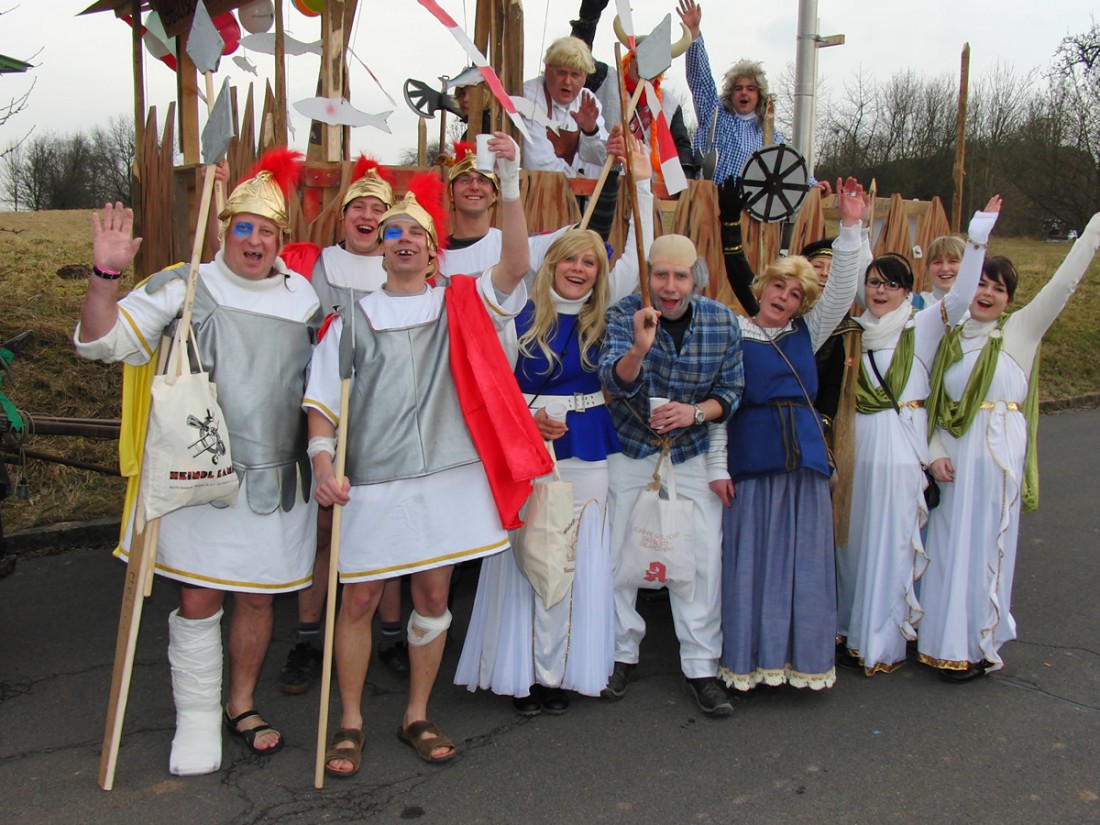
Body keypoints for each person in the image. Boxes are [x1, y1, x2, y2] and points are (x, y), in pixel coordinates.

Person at [304, 133, 551, 777]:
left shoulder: (461, 301)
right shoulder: (349, 320)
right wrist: (323, 462)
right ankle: (351, 721)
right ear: (381, 248)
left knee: (433, 596)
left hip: (448, 477)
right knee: (357, 601)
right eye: (393, 233)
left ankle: (416, 712)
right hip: (374, 482)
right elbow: (321, 402)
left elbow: (517, 265)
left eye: (415, 232)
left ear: (432, 248)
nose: (404, 240)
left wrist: (513, 183)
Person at [75, 149, 320, 775]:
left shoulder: (302, 298)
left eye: (268, 230)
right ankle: (197, 720)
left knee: (260, 600)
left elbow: (321, 387)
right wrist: (104, 277)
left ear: (281, 242)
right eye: (245, 226)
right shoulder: (185, 285)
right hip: (197, 474)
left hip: (276, 483)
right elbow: (102, 344)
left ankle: (240, 706)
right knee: (199, 597)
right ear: (223, 231)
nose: (256, 239)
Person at [454, 139, 654, 715]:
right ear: (552, 262)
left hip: (590, 449)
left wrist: (639, 178)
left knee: (573, 556)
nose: (578, 269)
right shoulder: (517, 309)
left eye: (589, 262)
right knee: (527, 554)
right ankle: (524, 672)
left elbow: (638, 248)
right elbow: (491, 385)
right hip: (529, 444)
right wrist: (526, 419)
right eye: (569, 258)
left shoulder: (606, 309)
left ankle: (561, 669)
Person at [920, 213, 1100, 681]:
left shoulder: (1021, 332)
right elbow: (934, 403)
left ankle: (977, 646)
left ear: (1009, 300)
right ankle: (941, 642)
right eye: (980, 282)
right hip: (953, 461)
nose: (986, 293)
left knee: (983, 551)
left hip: (996, 460)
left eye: (998, 288)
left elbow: (1062, 286)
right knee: (945, 548)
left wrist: (1094, 232)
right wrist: (934, 451)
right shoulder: (950, 336)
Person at [839, 197, 1001, 675]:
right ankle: (849, 629)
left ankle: (880, 643)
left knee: (890, 544)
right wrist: (855, 227)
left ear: (908, 291)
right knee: (851, 544)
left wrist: (978, 237)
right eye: (873, 282)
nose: (880, 291)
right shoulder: (852, 331)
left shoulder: (921, 326)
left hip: (899, 444)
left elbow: (960, 294)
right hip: (857, 447)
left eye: (891, 284)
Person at [718, 178, 864, 692]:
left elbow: (843, 288)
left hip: (803, 461)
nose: (784, 295)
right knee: (751, 564)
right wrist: (719, 469)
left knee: (803, 563)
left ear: (803, 302)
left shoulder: (810, 332)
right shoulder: (730, 331)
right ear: (763, 288)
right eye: (779, 285)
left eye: (795, 292)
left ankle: (800, 661)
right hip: (753, 458)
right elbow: (718, 404)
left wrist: (849, 228)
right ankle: (747, 662)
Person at [275, 157, 409, 694]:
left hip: (384, 418)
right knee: (324, 531)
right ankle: (309, 637)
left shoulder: (402, 264)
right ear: (344, 216)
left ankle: (393, 636)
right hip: (325, 406)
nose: (368, 215)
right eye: (359, 206)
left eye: (379, 209)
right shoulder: (312, 266)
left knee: (390, 534)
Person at [598, 233, 744, 717]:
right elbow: (613, 381)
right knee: (621, 553)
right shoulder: (624, 315)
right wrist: (639, 348)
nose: (670, 285)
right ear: (647, 276)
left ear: (694, 277)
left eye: (680, 275)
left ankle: (701, 665)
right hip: (633, 447)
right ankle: (620, 653)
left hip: (691, 453)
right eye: (660, 274)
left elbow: (732, 390)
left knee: (701, 560)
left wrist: (696, 413)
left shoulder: (722, 321)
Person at [676, 0, 788, 187]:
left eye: (750, 88)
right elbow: (700, 80)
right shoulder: (714, 113)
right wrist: (694, 33)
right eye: (738, 88)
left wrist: (812, 183)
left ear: (759, 95)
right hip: (709, 204)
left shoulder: (768, 133)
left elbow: (786, 165)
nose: (744, 93)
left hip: (748, 209)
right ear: (731, 93)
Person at [520, 36, 609, 179]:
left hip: (570, 192)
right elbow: (538, 162)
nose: (567, 81)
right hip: (530, 189)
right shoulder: (530, 96)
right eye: (561, 72)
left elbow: (600, 158)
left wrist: (590, 131)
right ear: (547, 69)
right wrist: (575, 177)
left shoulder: (587, 101)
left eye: (575, 75)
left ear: (585, 76)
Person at [916, 234, 965, 308]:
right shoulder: (913, 307)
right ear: (928, 268)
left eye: (953, 261)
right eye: (937, 262)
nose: (945, 268)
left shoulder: (980, 308)